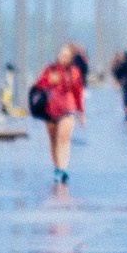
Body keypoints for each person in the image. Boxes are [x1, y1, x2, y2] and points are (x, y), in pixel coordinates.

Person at [31, 43, 84, 185]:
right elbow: (38, 86)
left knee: (64, 138)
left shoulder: (74, 71)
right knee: (53, 140)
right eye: (61, 54)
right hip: (50, 108)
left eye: (66, 56)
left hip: (68, 108)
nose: (63, 58)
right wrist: (48, 81)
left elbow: (78, 92)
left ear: (71, 58)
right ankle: (57, 168)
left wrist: (81, 112)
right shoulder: (50, 70)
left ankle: (63, 168)